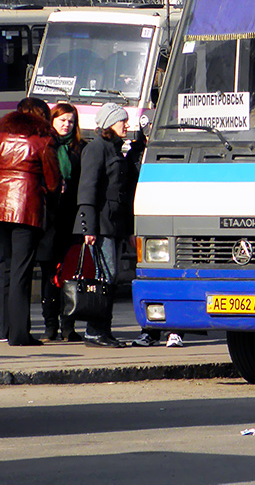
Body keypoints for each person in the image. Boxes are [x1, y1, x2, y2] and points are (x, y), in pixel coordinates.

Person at [78, 103, 146, 348]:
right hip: (102, 225)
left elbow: (124, 189)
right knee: (105, 276)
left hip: (115, 225)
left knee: (110, 276)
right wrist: (89, 228)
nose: (127, 125)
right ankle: (95, 331)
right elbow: (88, 188)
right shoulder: (97, 149)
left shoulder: (115, 149)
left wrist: (128, 229)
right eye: (122, 122)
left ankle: (103, 330)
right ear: (109, 124)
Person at [0, 97, 60, 347]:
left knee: (4, 267)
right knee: (21, 272)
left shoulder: (2, 138)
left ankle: (4, 329)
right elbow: (54, 181)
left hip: (1, 207)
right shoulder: (42, 141)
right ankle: (19, 334)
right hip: (26, 209)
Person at [35, 102, 84, 342]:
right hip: (49, 221)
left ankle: (69, 326)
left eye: (71, 121)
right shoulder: (46, 146)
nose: (66, 125)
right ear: (52, 121)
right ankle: (50, 326)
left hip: (71, 220)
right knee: (48, 276)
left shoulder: (80, 149)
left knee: (69, 275)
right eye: (62, 120)